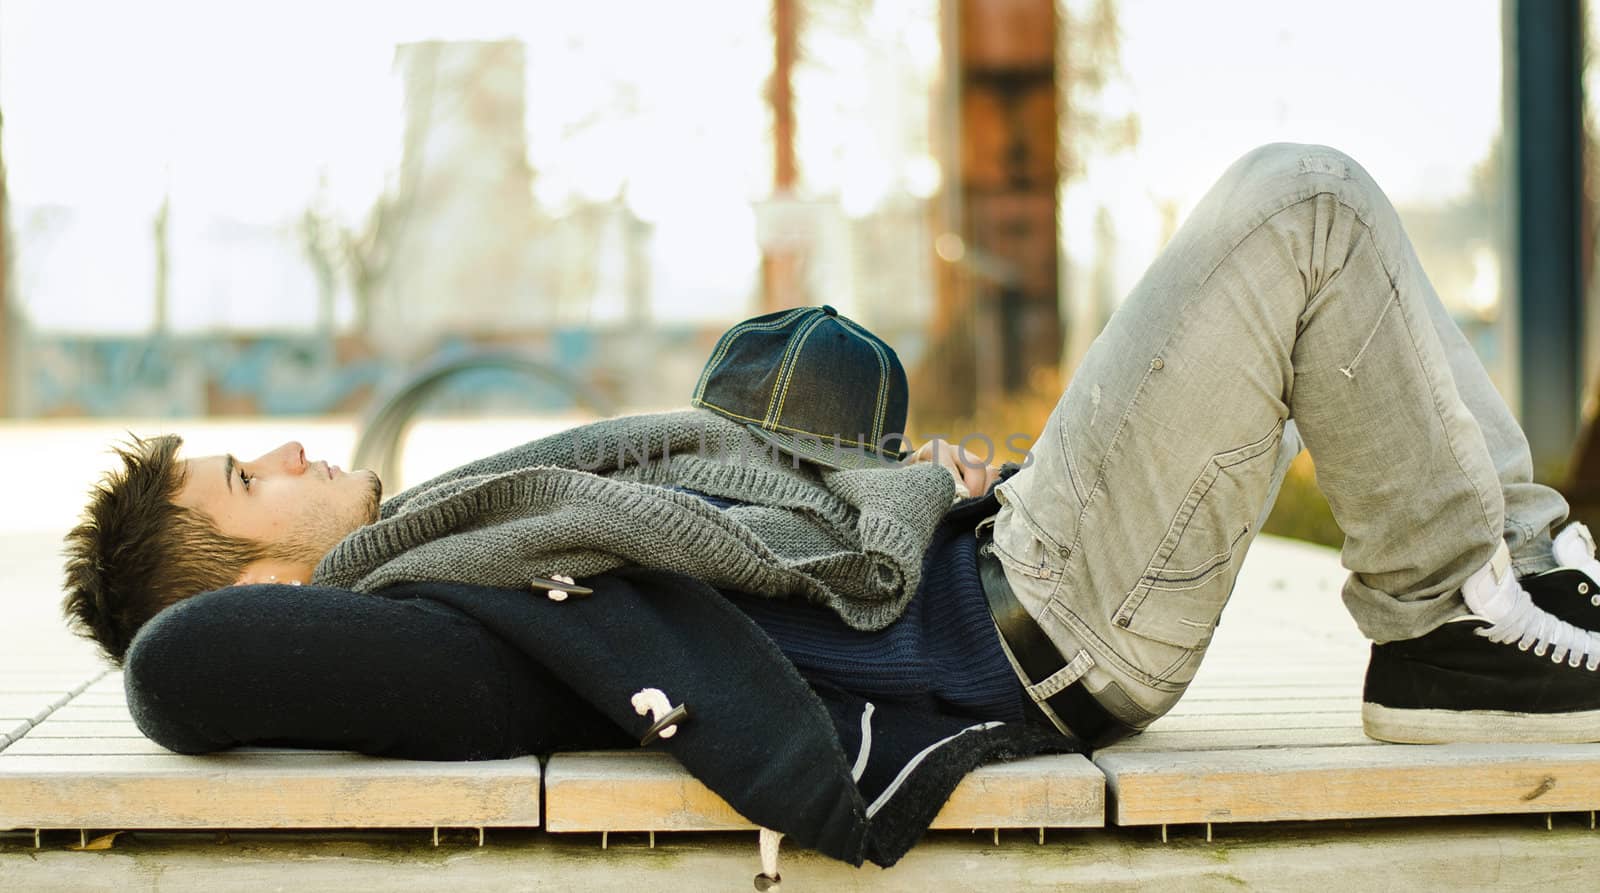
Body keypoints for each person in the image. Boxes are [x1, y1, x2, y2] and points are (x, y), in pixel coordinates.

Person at [62, 142, 1600, 762]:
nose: (274, 445)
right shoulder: (439, 620)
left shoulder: (468, 562)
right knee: (1301, 202)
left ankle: (1506, 583)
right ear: (270, 568)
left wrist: (909, 490)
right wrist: (261, 589)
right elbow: (179, 667)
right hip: (1034, 626)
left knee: (1320, 219)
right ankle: (1446, 624)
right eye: (245, 480)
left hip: (1008, 570)